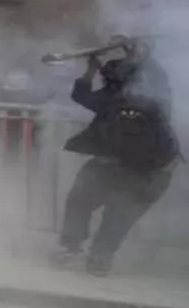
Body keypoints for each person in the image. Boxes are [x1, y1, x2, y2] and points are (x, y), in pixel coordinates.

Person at [54, 38, 178, 276]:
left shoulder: (154, 93)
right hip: (108, 163)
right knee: (79, 200)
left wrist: (139, 53)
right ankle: (72, 248)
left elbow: (148, 73)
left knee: (118, 215)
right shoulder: (113, 96)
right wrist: (91, 69)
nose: (107, 78)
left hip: (147, 170)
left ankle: (100, 257)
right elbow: (82, 96)